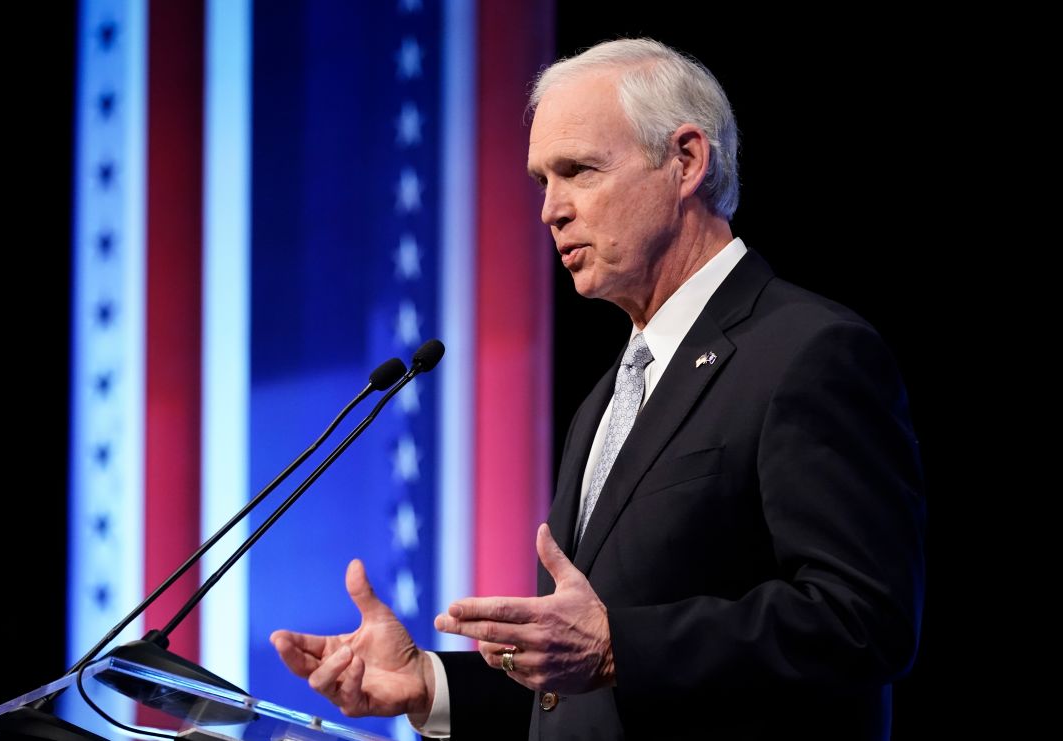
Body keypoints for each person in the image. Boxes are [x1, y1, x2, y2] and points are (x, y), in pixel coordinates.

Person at [271, 38, 925, 740]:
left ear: (686, 161)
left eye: (577, 171)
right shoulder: (607, 398)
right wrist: (427, 683)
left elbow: (863, 620)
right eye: (541, 182)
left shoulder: (807, 351)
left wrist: (619, 644)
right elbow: (575, 684)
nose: (551, 210)